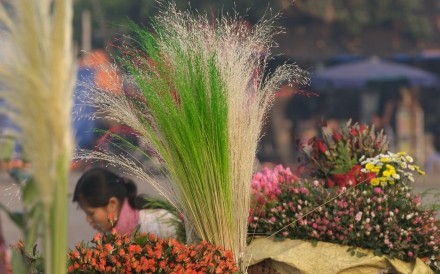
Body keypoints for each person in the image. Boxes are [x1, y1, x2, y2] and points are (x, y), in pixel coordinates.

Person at [73, 167, 179, 239]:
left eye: (91, 213)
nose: (87, 219)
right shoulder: (112, 235)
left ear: (112, 204)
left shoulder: (159, 224)